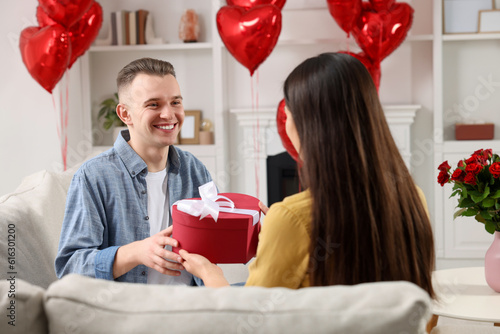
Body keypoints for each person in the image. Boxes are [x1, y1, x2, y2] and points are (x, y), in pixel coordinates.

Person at [179, 52, 435, 298]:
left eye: (287, 113)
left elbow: (251, 319)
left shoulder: (292, 217)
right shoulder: (413, 198)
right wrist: (277, 244)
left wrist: (210, 276)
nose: (286, 121)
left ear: (307, 125)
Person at [55, 57, 212, 286]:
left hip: (193, 307)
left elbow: (214, 243)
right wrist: (136, 252)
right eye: (154, 104)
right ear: (125, 114)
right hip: (130, 313)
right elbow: (70, 268)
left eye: (175, 102)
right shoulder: (93, 177)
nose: (169, 114)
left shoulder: (195, 170)